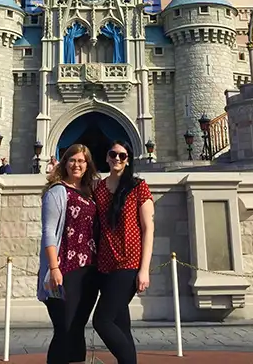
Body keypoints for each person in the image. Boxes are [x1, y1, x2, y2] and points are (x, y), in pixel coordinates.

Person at [92, 140, 154, 364]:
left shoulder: (138, 187)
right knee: (120, 325)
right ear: (107, 157)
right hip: (104, 265)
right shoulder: (98, 189)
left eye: (122, 156)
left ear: (128, 160)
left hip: (128, 265)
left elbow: (148, 229)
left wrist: (144, 270)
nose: (117, 159)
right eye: (113, 154)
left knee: (102, 321)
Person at [38, 144, 100, 364]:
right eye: (72, 160)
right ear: (64, 162)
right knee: (63, 328)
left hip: (88, 271)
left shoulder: (90, 193)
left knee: (77, 327)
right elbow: (48, 231)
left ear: (88, 165)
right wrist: (53, 268)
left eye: (82, 161)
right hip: (64, 269)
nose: (77, 165)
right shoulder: (57, 191)